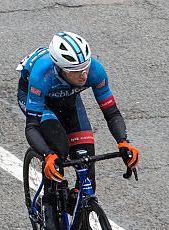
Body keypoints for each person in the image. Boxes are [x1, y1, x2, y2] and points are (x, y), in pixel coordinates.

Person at [17, 32, 140, 221]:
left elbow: (112, 113)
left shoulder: (95, 71)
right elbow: (31, 127)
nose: (84, 75)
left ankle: (78, 208)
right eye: (77, 71)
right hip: (40, 102)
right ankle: (49, 205)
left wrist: (123, 141)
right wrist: (47, 155)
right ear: (61, 68)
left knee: (87, 164)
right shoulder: (42, 73)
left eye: (85, 68)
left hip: (68, 100)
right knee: (59, 148)